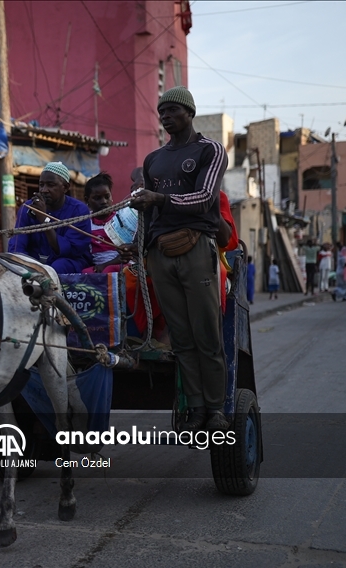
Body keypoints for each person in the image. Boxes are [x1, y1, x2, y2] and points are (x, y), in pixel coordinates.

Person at [129, 85, 229, 432]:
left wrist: (158, 198)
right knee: (181, 339)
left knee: (207, 336)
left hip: (197, 246)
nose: (166, 117)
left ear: (190, 112)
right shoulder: (153, 159)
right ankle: (196, 408)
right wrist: (140, 250)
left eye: (173, 110)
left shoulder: (210, 150)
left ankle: (216, 409)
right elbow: (146, 215)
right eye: (162, 112)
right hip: (160, 253)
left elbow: (204, 198)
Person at [7, 161, 92, 273]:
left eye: (51, 185)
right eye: (41, 185)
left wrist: (44, 219)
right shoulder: (27, 208)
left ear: (65, 188)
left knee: (58, 266)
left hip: (67, 262)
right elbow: (17, 245)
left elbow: (69, 249)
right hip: (35, 260)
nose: (44, 190)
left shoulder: (79, 211)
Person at [80, 172, 138, 273]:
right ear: (87, 200)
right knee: (84, 273)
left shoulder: (122, 218)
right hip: (98, 267)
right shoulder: (85, 223)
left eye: (107, 196)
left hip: (122, 264)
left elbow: (126, 256)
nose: (104, 202)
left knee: (109, 270)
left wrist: (105, 265)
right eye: (97, 198)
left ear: (111, 196)